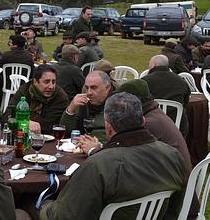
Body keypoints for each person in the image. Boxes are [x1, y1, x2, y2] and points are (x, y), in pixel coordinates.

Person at [40, 93, 187, 219]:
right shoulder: (172, 155)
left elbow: (66, 217)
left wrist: (44, 205)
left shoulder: (98, 165)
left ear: (108, 128)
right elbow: (174, 207)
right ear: (143, 121)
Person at [118, 79, 192, 172]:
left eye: (120, 102)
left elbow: (131, 157)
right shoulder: (153, 112)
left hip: (174, 180)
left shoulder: (149, 123)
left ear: (131, 103)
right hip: (172, 173)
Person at [4, 64, 68, 135]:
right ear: (35, 81)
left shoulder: (60, 97)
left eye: (53, 82)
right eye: (46, 82)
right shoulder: (25, 89)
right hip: (21, 135)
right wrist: (24, 122)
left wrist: (22, 122)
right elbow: (8, 114)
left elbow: (48, 126)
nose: (51, 86)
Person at [141, 55, 191, 137]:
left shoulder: (145, 81)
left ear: (153, 65)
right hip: (177, 124)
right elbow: (185, 103)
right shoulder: (181, 81)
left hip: (151, 124)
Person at [60, 71, 113, 142]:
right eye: (87, 88)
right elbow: (64, 131)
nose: (89, 93)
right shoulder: (82, 103)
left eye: (94, 88)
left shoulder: (116, 107)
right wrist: (70, 110)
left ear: (107, 88)